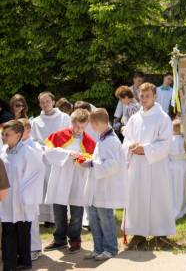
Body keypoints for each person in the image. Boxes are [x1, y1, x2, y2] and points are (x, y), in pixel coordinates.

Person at [122, 82, 175, 250]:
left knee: (158, 198)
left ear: (155, 96)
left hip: (156, 166)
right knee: (137, 198)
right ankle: (138, 234)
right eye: (141, 96)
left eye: (147, 96)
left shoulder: (163, 118)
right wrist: (130, 146)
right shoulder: (135, 118)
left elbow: (165, 144)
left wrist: (145, 149)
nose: (143, 99)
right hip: (137, 166)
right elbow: (126, 139)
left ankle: (161, 234)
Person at [42, 109, 96, 253]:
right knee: (59, 211)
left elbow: (92, 159)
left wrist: (83, 159)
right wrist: (68, 154)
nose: (79, 130)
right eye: (77, 126)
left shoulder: (89, 141)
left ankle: (75, 239)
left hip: (78, 178)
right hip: (60, 177)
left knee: (77, 212)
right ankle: (59, 239)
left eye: (82, 127)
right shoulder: (59, 135)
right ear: (72, 122)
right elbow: (48, 152)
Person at [82, 109, 126, 261]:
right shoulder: (103, 138)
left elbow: (113, 165)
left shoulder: (111, 141)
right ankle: (98, 248)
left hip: (105, 187)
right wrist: (91, 161)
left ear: (98, 123)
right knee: (94, 219)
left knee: (105, 219)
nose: (92, 127)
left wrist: (92, 164)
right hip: (97, 186)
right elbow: (101, 160)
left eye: (92, 124)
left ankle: (110, 249)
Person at [0, 120, 43, 271]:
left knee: (23, 232)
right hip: (7, 199)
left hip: (23, 200)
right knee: (8, 231)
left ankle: (25, 261)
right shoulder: (3, 150)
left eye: (7, 134)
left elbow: (38, 172)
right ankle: (9, 265)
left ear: (18, 135)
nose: (3, 137)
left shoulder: (28, 152)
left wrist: (25, 193)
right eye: (3, 134)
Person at [31, 91, 72, 225]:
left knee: (58, 187)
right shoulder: (35, 122)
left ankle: (59, 218)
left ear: (53, 102)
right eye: (42, 102)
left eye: (47, 101)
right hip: (43, 158)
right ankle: (47, 218)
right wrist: (43, 148)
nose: (45, 104)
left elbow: (70, 135)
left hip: (59, 157)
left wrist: (57, 149)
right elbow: (33, 140)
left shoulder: (64, 118)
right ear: (39, 104)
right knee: (45, 187)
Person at [18, 118, 44, 261]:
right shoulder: (15, 146)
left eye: (21, 129)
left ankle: (35, 248)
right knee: (21, 221)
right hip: (18, 190)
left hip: (30, 190)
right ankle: (22, 248)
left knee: (32, 220)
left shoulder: (35, 147)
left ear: (28, 130)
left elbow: (35, 170)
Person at [168, 119, 186, 220]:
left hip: (172, 166)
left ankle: (175, 207)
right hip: (183, 165)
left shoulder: (169, 141)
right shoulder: (184, 140)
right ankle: (184, 207)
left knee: (175, 188)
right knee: (183, 187)